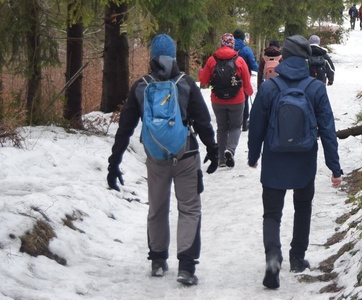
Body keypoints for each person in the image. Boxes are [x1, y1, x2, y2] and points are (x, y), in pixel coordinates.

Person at [107, 34, 218, 286]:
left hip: (156, 158)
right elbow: (202, 121)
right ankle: (187, 268)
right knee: (189, 209)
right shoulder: (186, 83)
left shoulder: (141, 87)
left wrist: (114, 163)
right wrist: (212, 150)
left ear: (152, 57)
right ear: (174, 56)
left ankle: (158, 261)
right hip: (186, 155)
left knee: (157, 208)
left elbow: (125, 129)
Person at [247, 35, 343, 290]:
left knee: (272, 213)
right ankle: (298, 258)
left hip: (274, 161)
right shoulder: (315, 88)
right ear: (305, 59)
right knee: (303, 207)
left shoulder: (269, 87)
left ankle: (272, 256)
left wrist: (253, 155)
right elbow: (328, 130)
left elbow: (256, 126)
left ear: (284, 56)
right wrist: (335, 167)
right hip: (304, 161)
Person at [199, 33, 253, 168]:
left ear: (221, 43)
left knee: (222, 127)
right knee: (235, 126)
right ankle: (231, 149)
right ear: (233, 44)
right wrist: (249, 92)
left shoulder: (212, 60)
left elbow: (204, 81)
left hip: (218, 100)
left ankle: (222, 158)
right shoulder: (239, 60)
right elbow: (247, 83)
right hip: (237, 100)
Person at [232, 29, 259, 131]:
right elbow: (253, 66)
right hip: (243, 79)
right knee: (244, 99)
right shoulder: (246, 50)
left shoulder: (229, 49)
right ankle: (243, 123)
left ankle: (232, 122)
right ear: (243, 38)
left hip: (228, 79)